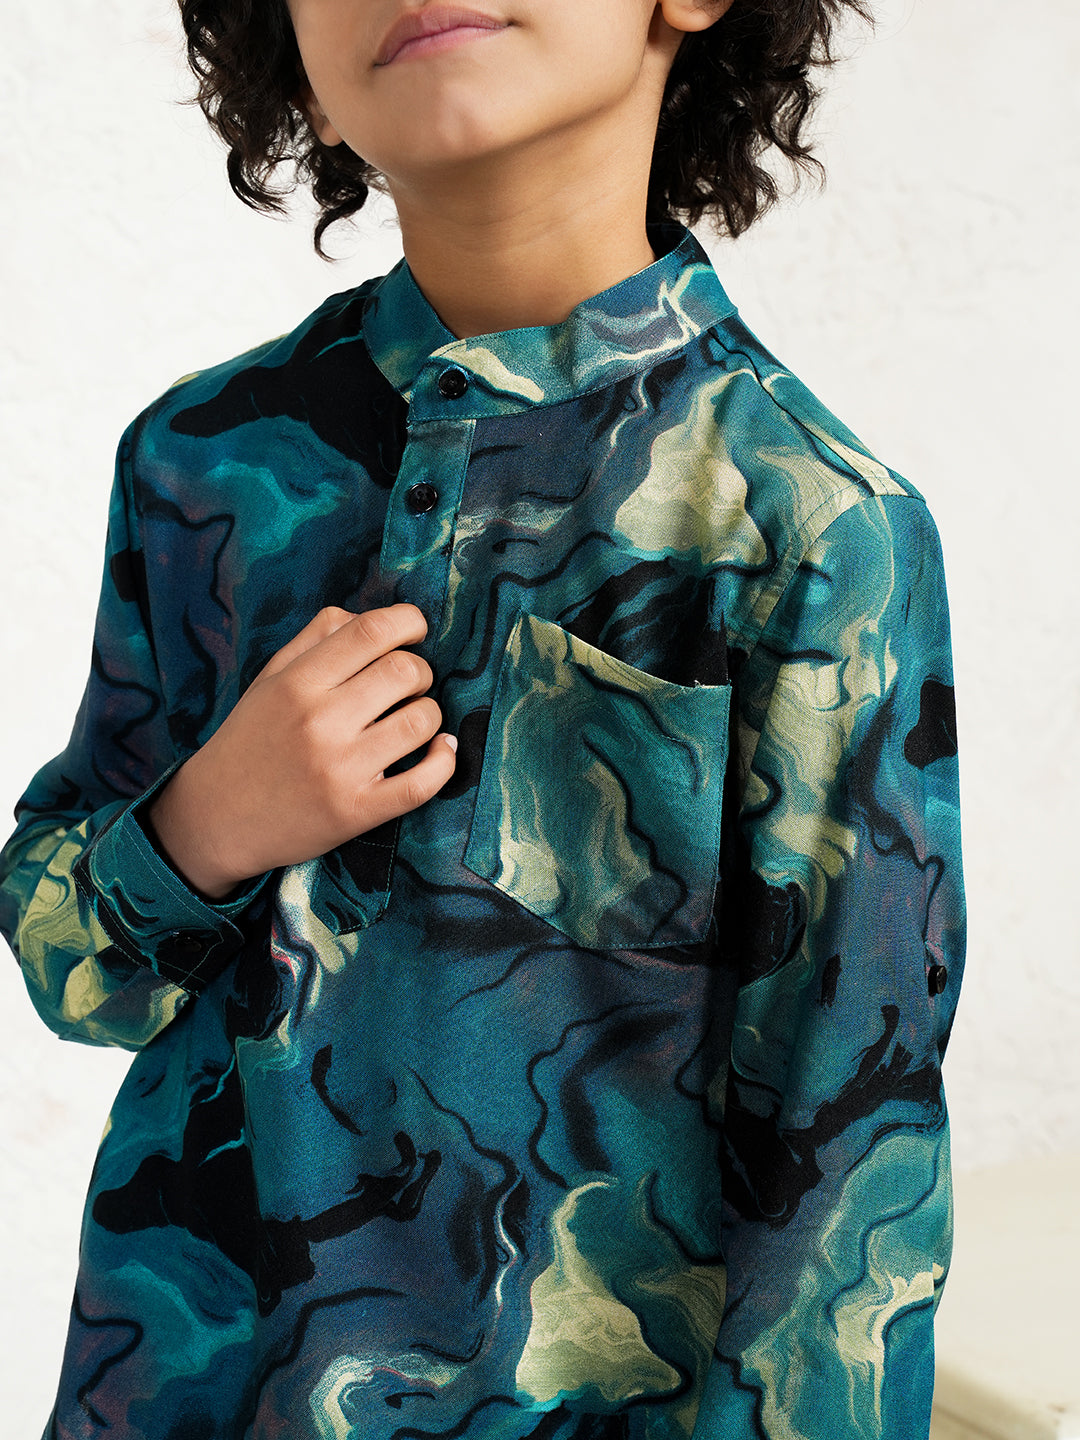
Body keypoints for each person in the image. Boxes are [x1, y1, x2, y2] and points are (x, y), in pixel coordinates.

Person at [0, 0, 965, 1435]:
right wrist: (207, 826)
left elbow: (848, 1168)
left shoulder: (811, 525)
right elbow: (72, 969)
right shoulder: (200, 462)